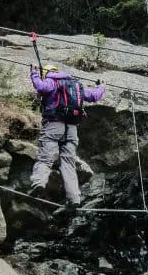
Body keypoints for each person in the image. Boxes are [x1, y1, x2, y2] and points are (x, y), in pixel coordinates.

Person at [27, 64, 105, 215]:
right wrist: (102, 86)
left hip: (54, 125)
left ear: (47, 73)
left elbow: (41, 87)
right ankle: (74, 198)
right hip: (72, 129)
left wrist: (34, 74)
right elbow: (94, 96)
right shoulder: (76, 85)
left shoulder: (52, 81)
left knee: (45, 158)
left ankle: (38, 183)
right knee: (68, 164)